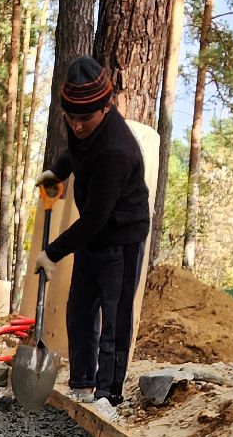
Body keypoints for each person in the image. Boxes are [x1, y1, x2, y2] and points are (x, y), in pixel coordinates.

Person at [36, 57, 151, 408]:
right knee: (81, 310)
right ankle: (82, 385)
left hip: (121, 236)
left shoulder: (116, 149)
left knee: (115, 317)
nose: (76, 125)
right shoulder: (80, 122)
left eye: (84, 118)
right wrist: (57, 172)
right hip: (93, 233)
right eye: (71, 117)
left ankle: (107, 396)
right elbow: (75, 151)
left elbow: (95, 220)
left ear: (106, 106)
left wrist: (53, 251)